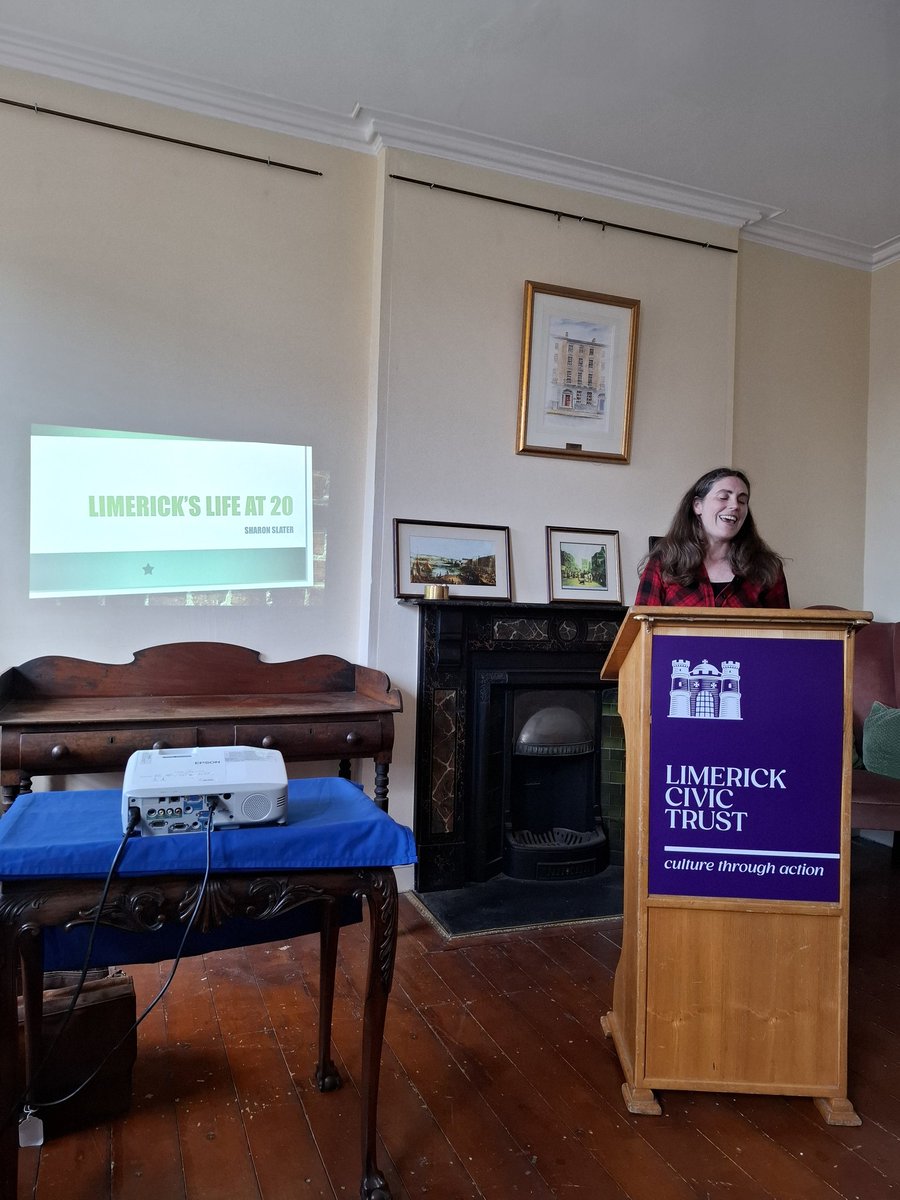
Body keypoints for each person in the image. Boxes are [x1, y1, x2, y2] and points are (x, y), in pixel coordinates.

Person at [635, 466, 789, 607]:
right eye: (723, 497)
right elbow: (642, 629)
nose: (735, 506)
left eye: (742, 501)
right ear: (697, 506)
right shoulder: (663, 562)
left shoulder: (768, 568)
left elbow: (782, 631)